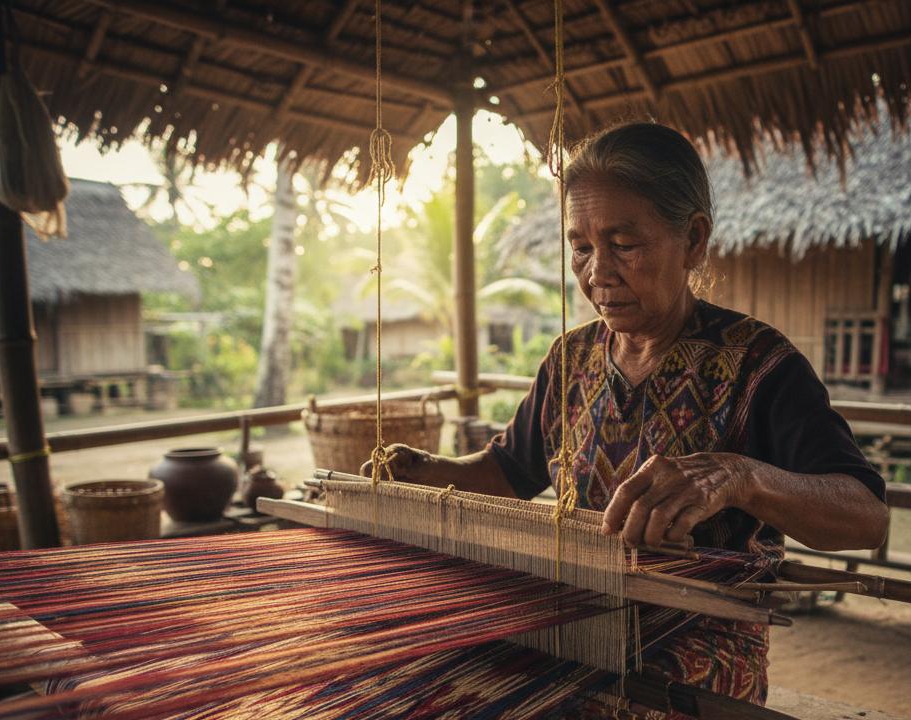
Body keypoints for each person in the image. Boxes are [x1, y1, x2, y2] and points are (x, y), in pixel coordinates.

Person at [363, 122, 889, 711]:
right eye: (581, 248)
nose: (598, 273)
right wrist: (423, 472)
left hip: (701, 639)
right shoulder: (570, 360)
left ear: (693, 240)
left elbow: (866, 518)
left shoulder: (759, 365)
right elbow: (507, 472)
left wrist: (740, 476)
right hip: (574, 617)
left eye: (623, 244)